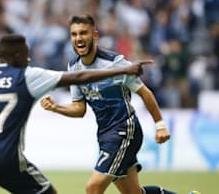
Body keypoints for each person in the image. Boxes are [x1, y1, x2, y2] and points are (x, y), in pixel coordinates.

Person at [0, 34, 151, 194]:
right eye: (26, 55)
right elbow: (78, 76)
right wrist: (124, 69)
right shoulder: (26, 76)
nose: (28, 59)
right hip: (9, 160)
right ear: (16, 57)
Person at [40, 14, 175, 194]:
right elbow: (79, 108)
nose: (78, 38)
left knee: (93, 187)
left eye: (83, 33)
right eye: (74, 34)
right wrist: (56, 108)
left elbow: (145, 92)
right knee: (133, 193)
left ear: (94, 35)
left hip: (124, 129)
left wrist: (160, 125)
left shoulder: (114, 63)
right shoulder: (73, 68)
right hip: (105, 134)